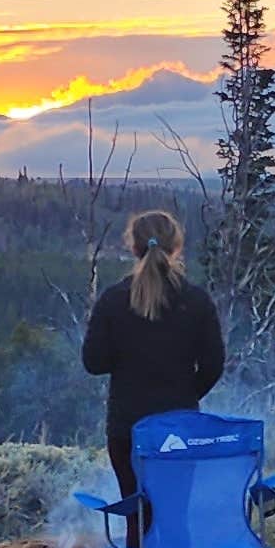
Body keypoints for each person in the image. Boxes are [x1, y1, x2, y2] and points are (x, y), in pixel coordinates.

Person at [81, 208, 226, 524]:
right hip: (180, 427)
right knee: (175, 512)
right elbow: (214, 364)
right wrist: (186, 392)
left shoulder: (113, 300)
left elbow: (93, 362)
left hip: (126, 429)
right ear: (176, 248)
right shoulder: (196, 301)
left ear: (133, 248)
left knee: (138, 514)